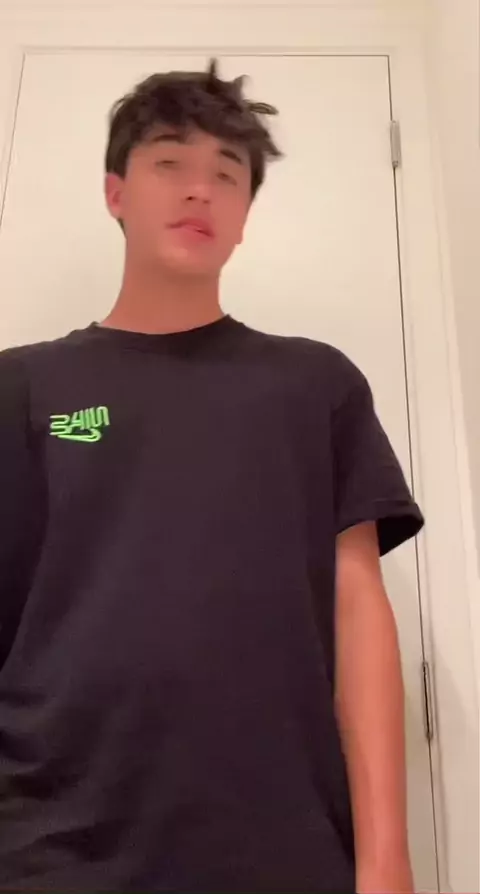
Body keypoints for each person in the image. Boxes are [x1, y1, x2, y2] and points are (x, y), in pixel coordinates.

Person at [0, 59, 423, 893]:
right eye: (169, 162)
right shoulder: (22, 387)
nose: (200, 189)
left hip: (280, 843)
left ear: (244, 220)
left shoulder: (314, 385)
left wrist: (386, 861)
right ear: (116, 193)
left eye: (227, 174)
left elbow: (358, 608)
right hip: (47, 846)